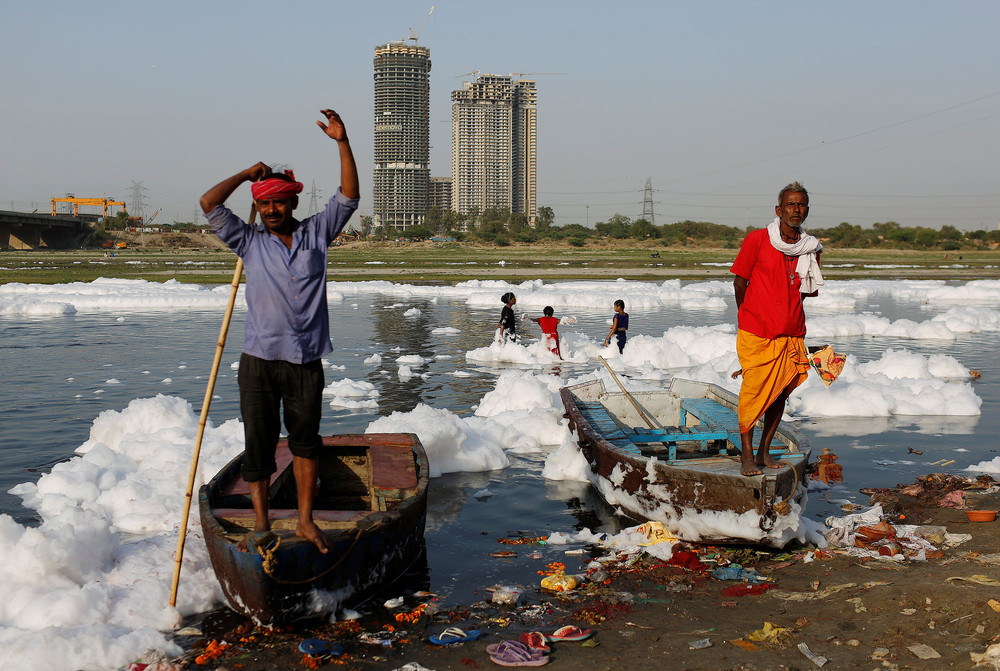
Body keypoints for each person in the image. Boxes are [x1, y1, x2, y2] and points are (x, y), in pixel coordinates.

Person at [199, 109, 360, 552]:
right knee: (259, 445)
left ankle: (306, 521)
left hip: (305, 360)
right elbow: (210, 204)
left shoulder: (316, 235)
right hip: (259, 363)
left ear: (292, 202)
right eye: (264, 202)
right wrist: (246, 174)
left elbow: (348, 197)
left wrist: (341, 143)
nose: (271, 210)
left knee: (306, 444)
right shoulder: (248, 240)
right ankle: (262, 525)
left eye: (279, 202)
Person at [731, 182, 822, 477]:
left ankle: (763, 451)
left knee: (780, 393)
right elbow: (740, 282)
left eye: (801, 205)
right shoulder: (757, 240)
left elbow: (804, 290)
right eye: (791, 204)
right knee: (753, 392)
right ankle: (746, 456)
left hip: (792, 333)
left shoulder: (810, 248)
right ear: (778, 210)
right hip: (757, 333)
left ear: (807, 210)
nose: (796, 210)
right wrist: (749, 315)